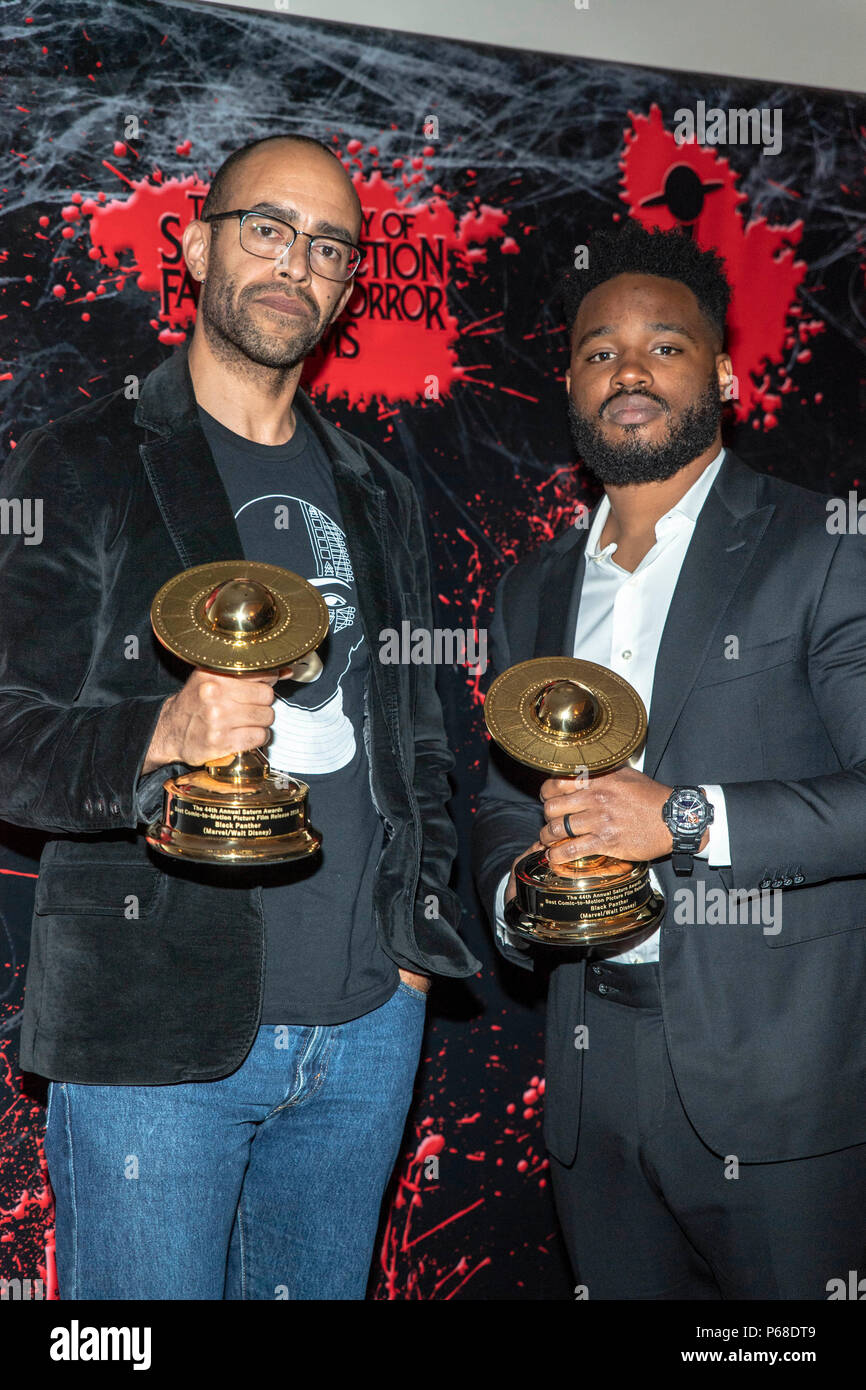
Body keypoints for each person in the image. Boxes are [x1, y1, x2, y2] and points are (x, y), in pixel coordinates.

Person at [0, 133, 479, 1300]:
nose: (294, 263)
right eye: (267, 227)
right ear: (199, 243)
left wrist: (412, 964)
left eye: (327, 246)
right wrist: (160, 733)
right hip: (154, 1029)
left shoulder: (377, 488)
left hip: (367, 1026)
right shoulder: (85, 460)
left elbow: (418, 736)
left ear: (349, 284)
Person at [473, 221, 866, 1300]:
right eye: (598, 351)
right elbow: (499, 809)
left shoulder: (823, 546)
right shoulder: (528, 593)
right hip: (592, 1084)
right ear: (568, 384)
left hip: (785, 1089)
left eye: (663, 345)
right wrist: (520, 885)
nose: (627, 370)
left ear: (727, 374)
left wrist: (683, 817)